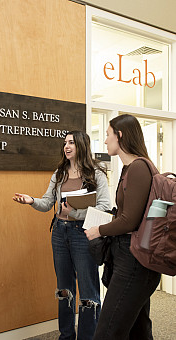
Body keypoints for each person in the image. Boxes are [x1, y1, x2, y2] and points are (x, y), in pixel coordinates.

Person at [13, 131, 111, 340]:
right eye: (65, 143)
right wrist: (31, 200)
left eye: (71, 143)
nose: (66, 146)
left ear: (82, 146)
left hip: (82, 234)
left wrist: (73, 213)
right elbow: (48, 203)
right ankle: (66, 336)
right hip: (59, 232)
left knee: (88, 292)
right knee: (64, 290)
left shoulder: (96, 174)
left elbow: (104, 208)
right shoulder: (59, 173)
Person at [85, 114, 161, 340]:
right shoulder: (130, 168)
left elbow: (130, 220)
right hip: (129, 257)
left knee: (107, 332)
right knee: (137, 330)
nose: (105, 141)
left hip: (134, 262)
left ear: (120, 136)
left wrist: (99, 230)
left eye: (108, 135)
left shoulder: (138, 167)